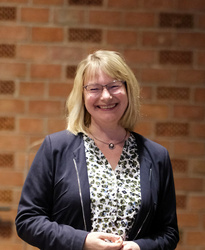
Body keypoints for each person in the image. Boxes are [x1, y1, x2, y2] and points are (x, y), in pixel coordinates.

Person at [15, 50, 179, 250]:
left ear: (128, 90)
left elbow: (169, 232)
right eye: (94, 88)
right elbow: (28, 220)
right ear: (82, 95)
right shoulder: (55, 148)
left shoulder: (156, 155)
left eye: (114, 86)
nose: (106, 96)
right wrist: (82, 241)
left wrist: (139, 247)